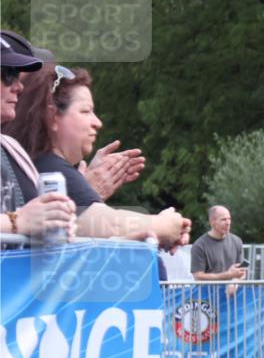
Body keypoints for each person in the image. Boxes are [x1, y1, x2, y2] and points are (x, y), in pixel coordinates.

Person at [4, 61, 190, 251]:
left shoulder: (27, 161)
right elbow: (110, 224)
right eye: (86, 111)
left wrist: (87, 191)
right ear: (52, 116)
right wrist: (168, 224)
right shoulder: (51, 168)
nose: (97, 122)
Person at [1, 30, 76, 243]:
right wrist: (17, 222)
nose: (19, 86)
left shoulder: (11, 148)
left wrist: (57, 220)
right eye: (7, 75)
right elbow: (24, 220)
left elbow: (36, 219)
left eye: (17, 76)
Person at [190, 205, 247, 297]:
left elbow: (241, 272)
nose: (228, 223)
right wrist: (227, 275)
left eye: (229, 219)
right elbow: (198, 276)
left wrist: (234, 282)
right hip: (208, 298)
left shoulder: (237, 241)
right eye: (223, 219)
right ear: (213, 222)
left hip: (232, 298)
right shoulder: (199, 245)